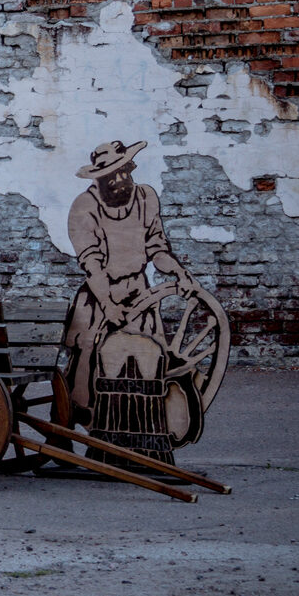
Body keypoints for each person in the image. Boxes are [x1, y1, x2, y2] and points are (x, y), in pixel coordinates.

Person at [60, 140, 202, 420]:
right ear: (99, 178)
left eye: (124, 171)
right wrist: (109, 305)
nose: (120, 180)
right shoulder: (84, 207)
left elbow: (157, 249)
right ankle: (72, 420)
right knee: (88, 361)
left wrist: (179, 272)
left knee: (147, 356)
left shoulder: (146, 198)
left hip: (138, 291)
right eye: (111, 175)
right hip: (99, 294)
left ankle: (140, 422)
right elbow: (92, 265)